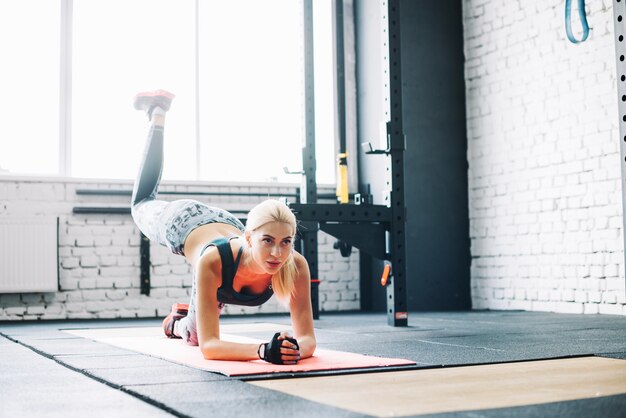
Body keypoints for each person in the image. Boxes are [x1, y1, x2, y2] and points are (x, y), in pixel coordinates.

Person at [131, 90, 316, 365]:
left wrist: (293, 348)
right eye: (267, 241)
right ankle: (157, 114)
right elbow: (210, 346)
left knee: (194, 333)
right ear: (250, 238)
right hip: (184, 221)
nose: (277, 252)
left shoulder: (296, 265)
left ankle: (177, 320)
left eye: (286, 241)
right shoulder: (212, 262)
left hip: (226, 222)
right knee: (142, 203)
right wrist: (264, 351)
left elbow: (308, 338)